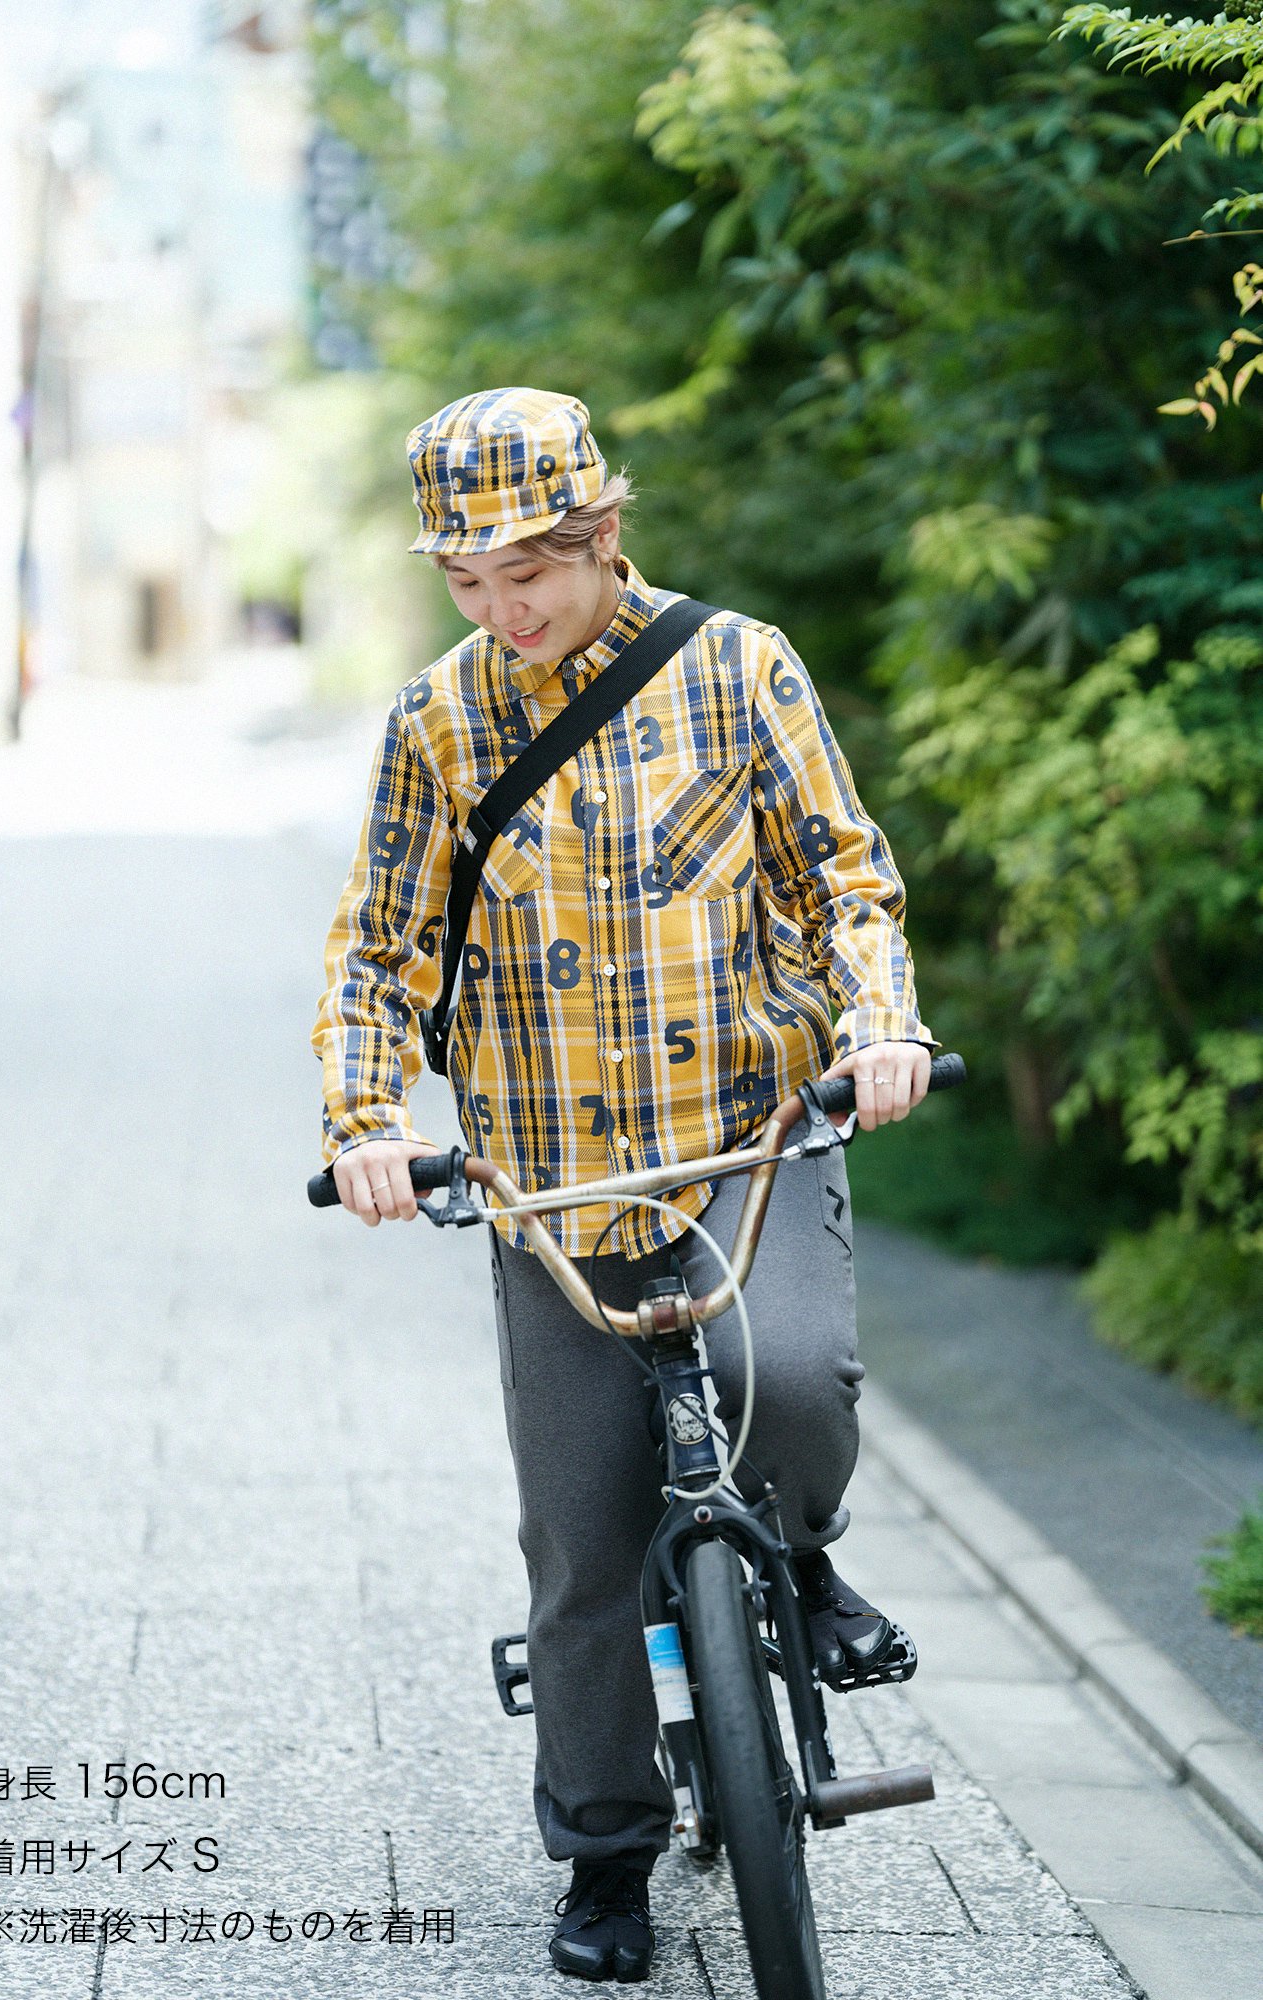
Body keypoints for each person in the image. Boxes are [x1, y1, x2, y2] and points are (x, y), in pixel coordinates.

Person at [312, 386, 936, 1984]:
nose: (498, 608)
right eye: (465, 578)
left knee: (786, 1380)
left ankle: (792, 1548)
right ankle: (602, 1855)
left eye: (525, 569)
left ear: (600, 533)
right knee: (581, 1547)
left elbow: (846, 877)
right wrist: (366, 1117)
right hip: (546, 1183)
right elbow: (378, 951)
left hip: (740, 1144)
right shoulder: (439, 724)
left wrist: (878, 1026)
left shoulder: (739, 668)